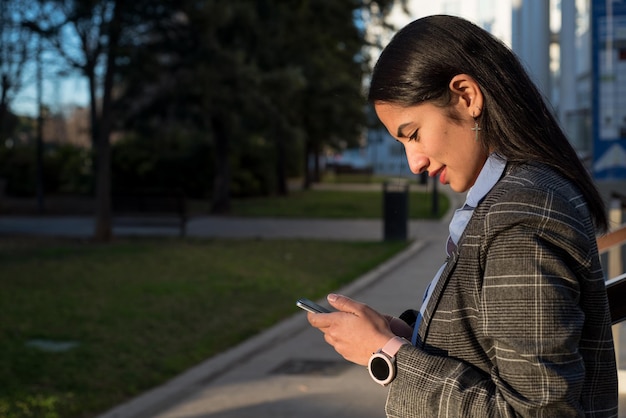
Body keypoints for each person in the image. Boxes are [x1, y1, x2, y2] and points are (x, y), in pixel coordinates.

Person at [306, 15, 618, 417]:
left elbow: (538, 412)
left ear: (467, 96)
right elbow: (496, 341)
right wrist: (407, 334)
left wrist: (385, 354)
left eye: (413, 133)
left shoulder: (520, 218)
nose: (414, 162)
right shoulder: (517, 196)